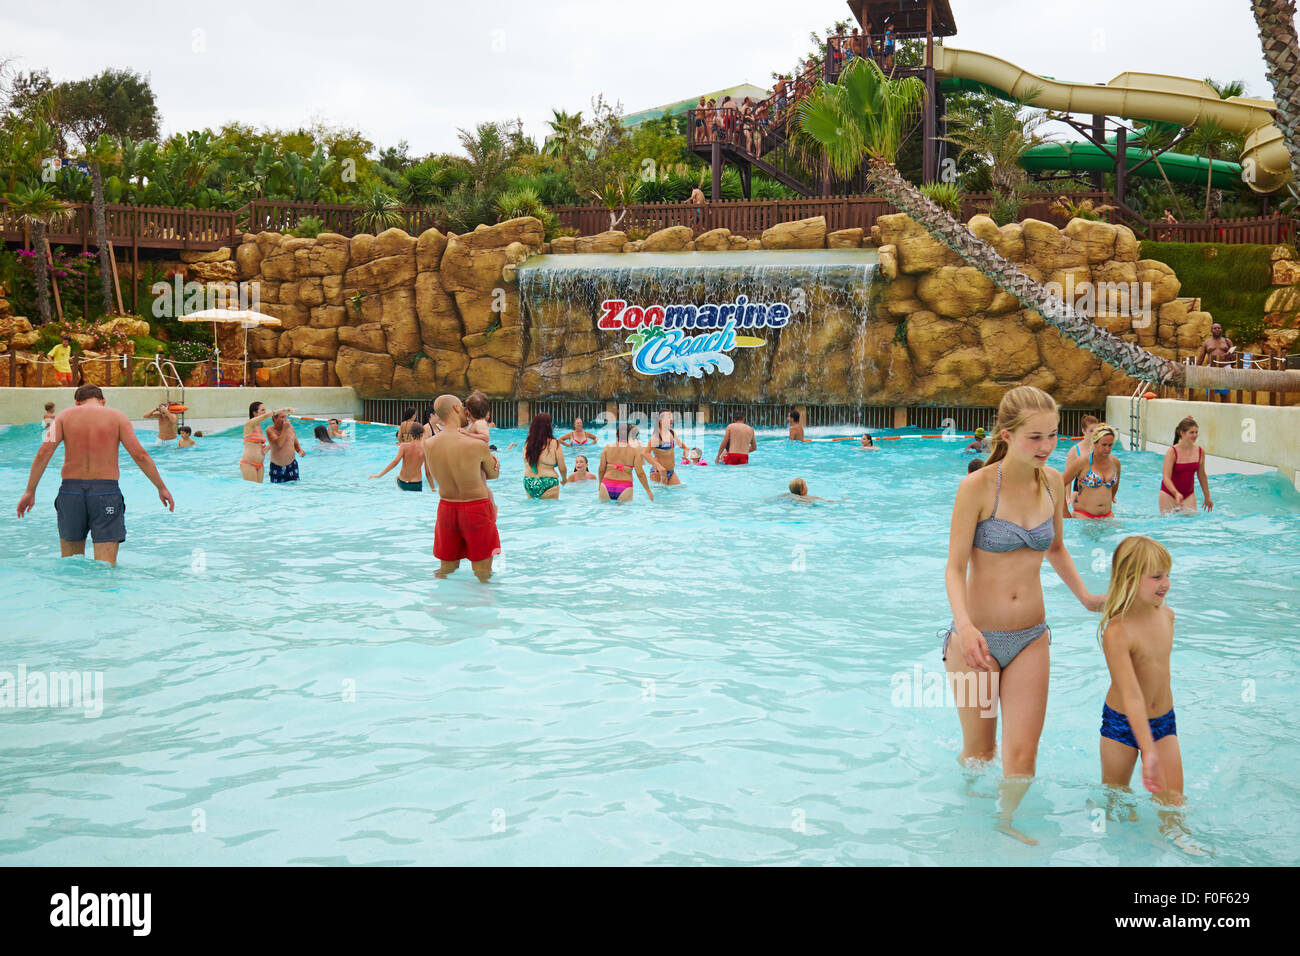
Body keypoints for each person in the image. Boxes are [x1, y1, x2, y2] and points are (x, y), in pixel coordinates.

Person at [942, 385, 1104, 845]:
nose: (1047, 447)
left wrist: (1087, 598)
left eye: (1053, 435)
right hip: (975, 639)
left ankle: (1006, 823)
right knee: (979, 752)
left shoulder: (1052, 481)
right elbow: (954, 568)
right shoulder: (975, 487)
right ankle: (969, 829)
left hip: (1032, 636)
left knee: (1022, 755)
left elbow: (1055, 546)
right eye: (1036, 437)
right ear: (1008, 435)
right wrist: (966, 627)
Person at [1097, 536, 1202, 852]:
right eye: (1156, 576)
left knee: (1174, 808)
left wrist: (1156, 748)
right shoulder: (1117, 632)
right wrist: (1148, 751)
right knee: (1117, 802)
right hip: (1121, 725)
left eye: (1167, 574)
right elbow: (1131, 696)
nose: (1166, 583)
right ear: (1130, 580)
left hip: (1163, 723)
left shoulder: (1167, 617)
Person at [16, 384, 174, 566]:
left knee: (71, 564)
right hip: (105, 493)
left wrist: (30, 491)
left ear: (77, 402)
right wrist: (161, 487)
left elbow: (44, 452)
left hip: (70, 493)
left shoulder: (62, 417)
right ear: (103, 401)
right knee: (105, 567)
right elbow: (140, 455)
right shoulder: (117, 417)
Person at [423, 393, 501, 581]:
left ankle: (441, 607)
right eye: (462, 406)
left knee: (445, 570)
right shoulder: (476, 444)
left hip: (446, 509)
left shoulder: (429, 443)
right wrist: (495, 461)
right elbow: (493, 474)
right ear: (456, 408)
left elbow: (432, 473)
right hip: (476, 508)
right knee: (483, 573)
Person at [1063, 423, 1121, 518]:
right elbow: (1060, 483)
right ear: (1095, 443)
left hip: (1107, 516)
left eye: (1110, 445)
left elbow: (1115, 486)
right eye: (1104, 445)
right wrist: (1064, 511)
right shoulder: (1082, 463)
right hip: (1084, 516)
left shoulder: (1115, 463)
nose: (1107, 449)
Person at [1159, 416, 1213, 514]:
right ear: (1182, 433)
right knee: (1169, 526)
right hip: (1169, 494)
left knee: (1191, 525)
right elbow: (1166, 477)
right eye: (1191, 432)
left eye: (1196, 432)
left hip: (1188, 495)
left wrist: (1207, 496)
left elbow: (1201, 475)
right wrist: (1176, 493)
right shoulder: (1173, 451)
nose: (1195, 435)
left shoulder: (1200, 451)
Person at [598, 422, 655, 503]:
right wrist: (648, 491)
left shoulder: (607, 448)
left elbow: (601, 469)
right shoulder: (634, 451)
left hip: (606, 484)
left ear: (617, 434)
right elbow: (640, 473)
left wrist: (600, 484)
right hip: (624, 486)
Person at [371, 422, 432, 490]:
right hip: (416, 484)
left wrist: (379, 475)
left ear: (411, 434)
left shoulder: (403, 446)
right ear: (422, 434)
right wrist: (433, 488)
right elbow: (428, 473)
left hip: (403, 482)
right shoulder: (425, 450)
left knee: (397, 478)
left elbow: (395, 462)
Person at [521, 412, 566, 500]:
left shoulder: (527, 444)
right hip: (548, 481)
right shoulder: (554, 443)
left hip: (529, 481)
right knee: (550, 511)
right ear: (548, 426)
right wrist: (564, 479)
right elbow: (562, 467)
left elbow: (526, 462)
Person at [241, 401, 287, 483]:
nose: (265, 412)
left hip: (260, 465)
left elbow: (263, 449)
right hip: (249, 463)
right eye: (262, 410)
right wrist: (284, 409)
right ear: (254, 413)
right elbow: (266, 416)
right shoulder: (249, 424)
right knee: (252, 491)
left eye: (265, 410)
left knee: (258, 491)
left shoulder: (258, 427)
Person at [1064, 415, 1100, 510]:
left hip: (1097, 486)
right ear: (1083, 431)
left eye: (1096, 431)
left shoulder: (1100, 448)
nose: (1094, 434)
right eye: (1091, 431)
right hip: (1080, 489)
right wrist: (1068, 497)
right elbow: (1068, 477)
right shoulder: (1075, 450)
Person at [1196, 323, 1235, 400]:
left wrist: (1228, 354)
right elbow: (1201, 357)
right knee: (1210, 393)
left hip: (1225, 368)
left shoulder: (1227, 341)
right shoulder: (1206, 342)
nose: (1217, 329)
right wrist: (1196, 368)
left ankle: (1225, 409)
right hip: (1211, 368)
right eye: (1215, 328)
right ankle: (1210, 409)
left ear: (1221, 330)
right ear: (1211, 330)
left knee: (1225, 393)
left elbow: (1234, 355)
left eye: (1219, 328)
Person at [266, 409, 306, 484]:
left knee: (294, 488)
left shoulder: (290, 428)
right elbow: (279, 444)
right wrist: (285, 428)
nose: (285, 420)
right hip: (277, 466)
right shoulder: (270, 430)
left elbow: (296, 445)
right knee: (277, 490)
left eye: (285, 417)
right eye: (282, 417)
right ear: (274, 419)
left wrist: (300, 451)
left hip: (292, 465)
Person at [645, 410, 684, 485]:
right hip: (658, 472)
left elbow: (680, 444)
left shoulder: (671, 433)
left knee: (680, 490)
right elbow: (645, 453)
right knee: (661, 495)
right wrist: (659, 467)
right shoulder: (656, 437)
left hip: (671, 471)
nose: (671, 419)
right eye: (668, 417)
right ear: (661, 421)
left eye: (672, 417)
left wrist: (686, 450)